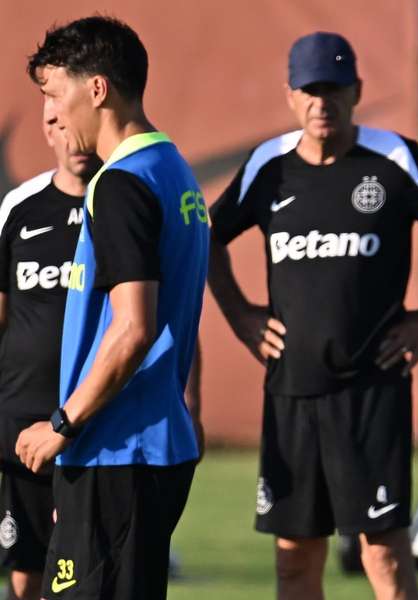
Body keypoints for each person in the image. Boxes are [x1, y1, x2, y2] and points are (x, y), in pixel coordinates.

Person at [207, 31, 418, 600]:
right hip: (291, 391)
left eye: (335, 89)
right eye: (311, 90)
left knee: (383, 554)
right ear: (291, 95)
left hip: (371, 392)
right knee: (295, 562)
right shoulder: (267, 166)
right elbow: (205, 241)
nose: (323, 103)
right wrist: (242, 316)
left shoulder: (393, 159)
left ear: (357, 91)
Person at [14, 16, 208, 600]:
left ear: (96, 89)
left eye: (54, 94)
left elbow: (133, 329)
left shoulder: (121, 183)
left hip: (118, 450)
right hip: (136, 454)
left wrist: (62, 425)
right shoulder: (172, 169)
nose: (52, 113)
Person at [0, 110, 101, 600]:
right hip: (20, 421)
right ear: (47, 131)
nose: (75, 137)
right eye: (61, 125)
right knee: (25, 571)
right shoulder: (19, 207)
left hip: (95, 421)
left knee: (85, 573)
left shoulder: (124, 201)